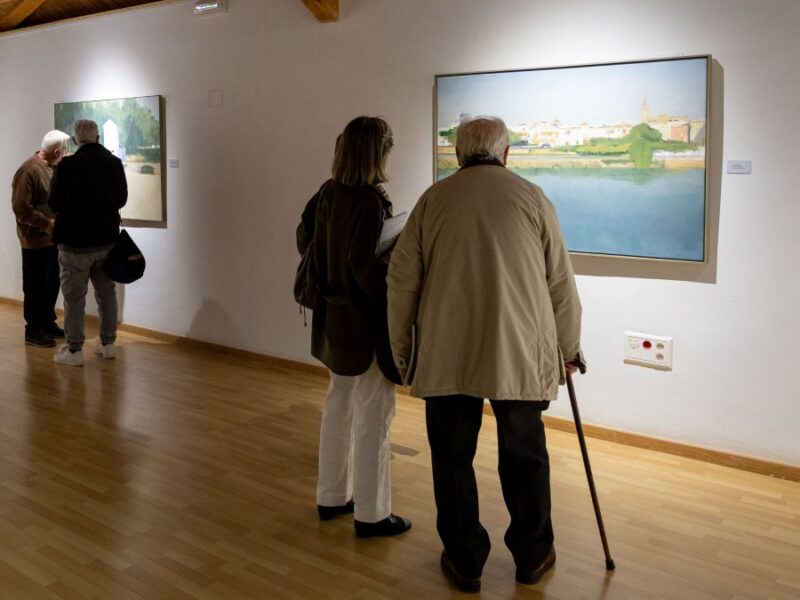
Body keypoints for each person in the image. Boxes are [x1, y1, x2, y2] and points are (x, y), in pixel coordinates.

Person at [387, 117, 585, 592]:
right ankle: (533, 555)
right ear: (506, 153)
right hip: (518, 349)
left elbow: (401, 282)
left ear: (458, 154)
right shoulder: (532, 197)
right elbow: (560, 282)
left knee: (452, 459)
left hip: (448, 351)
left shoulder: (433, 200)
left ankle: (465, 560)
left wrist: (402, 352)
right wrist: (569, 347)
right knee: (525, 457)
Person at [296, 116, 411, 538]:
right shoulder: (369, 202)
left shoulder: (327, 193)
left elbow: (303, 240)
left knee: (337, 406)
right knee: (374, 417)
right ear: (376, 152)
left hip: (331, 320)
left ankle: (331, 497)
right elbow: (368, 275)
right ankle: (373, 514)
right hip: (364, 326)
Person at [47, 119, 127, 366]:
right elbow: (122, 199)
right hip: (107, 241)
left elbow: (53, 204)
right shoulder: (113, 163)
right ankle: (107, 343)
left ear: (75, 140)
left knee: (74, 298)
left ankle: (74, 350)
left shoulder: (67, 166)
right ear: (98, 137)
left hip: (74, 244)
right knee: (106, 293)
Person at [11, 130, 71, 347]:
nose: (66, 154)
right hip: (35, 241)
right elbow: (20, 208)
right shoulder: (28, 171)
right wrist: (45, 223)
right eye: (64, 151)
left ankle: (47, 321)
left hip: (52, 240)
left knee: (51, 282)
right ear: (56, 151)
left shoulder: (52, 168)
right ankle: (33, 329)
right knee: (35, 285)